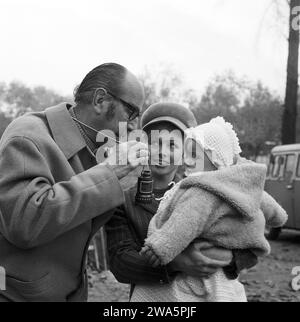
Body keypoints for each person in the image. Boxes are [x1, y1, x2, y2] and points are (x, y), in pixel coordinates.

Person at [0, 63, 149, 302]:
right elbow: (24, 222)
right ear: (100, 100)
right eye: (131, 112)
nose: (133, 125)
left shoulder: (98, 150)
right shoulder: (28, 135)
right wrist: (109, 172)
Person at [106, 103, 258, 300]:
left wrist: (225, 258)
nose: (162, 152)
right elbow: (121, 263)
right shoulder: (123, 199)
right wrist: (176, 263)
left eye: (172, 145)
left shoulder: (209, 192)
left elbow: (249, 244)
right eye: (155, 143)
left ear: (186, 151)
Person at [133, 117, 288, 302]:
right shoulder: (239, 183)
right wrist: (278, 217)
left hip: (201, 278)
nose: (186, 160)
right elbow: (266, 203)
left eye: (193, 155)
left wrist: (158, 249)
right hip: (212, 279)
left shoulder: (201, 190)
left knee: (150, 297)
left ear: (215, 158)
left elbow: (185, 222)